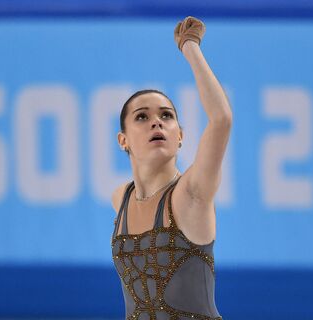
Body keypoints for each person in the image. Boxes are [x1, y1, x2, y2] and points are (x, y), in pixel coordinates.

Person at [111, 16, 231, 319]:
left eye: (166, 116)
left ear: (180, 136)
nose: (156, 122)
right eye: (142, 116)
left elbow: (221, 120)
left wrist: (189, 46)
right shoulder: (120, 199)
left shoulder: (191, 194)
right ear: (123, 140)